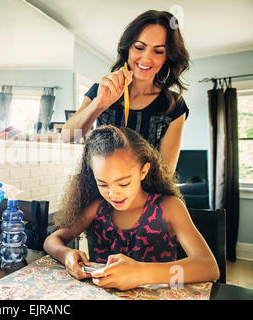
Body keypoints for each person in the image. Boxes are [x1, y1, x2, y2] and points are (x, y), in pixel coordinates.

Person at [44, 125, 219, 291]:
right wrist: (66, 254)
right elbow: (51, 240)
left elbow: (209, 267)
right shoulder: (97, 208)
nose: (113, 194)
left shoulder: (169, 207)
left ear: (143, 171)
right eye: (103, 184)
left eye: (124, 183)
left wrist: (139, 273)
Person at [62, 10, 190, 172]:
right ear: (127, 49)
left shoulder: (174, 106)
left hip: (145, 195)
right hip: (97, 190)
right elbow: (67, 137)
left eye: (158, 51)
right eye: (139, 47)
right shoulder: (100, 91)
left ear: (167, 57)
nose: (145, 59)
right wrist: (98, 105)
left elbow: (166, 174)